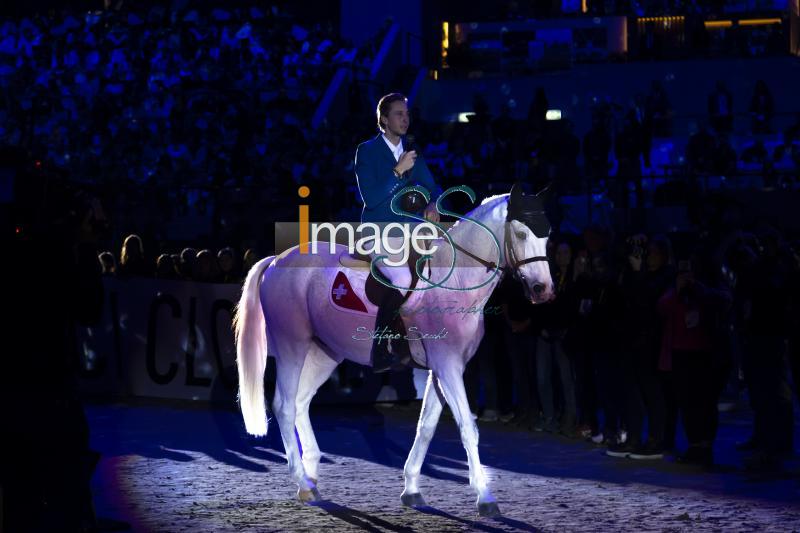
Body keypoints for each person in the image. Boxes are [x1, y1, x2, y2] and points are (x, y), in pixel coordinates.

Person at [354, 92, 442, 372]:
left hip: (410, 230)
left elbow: (433, 187)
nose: (405, 119)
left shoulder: (412, 152)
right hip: (379, 230)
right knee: (403, 277)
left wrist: (432, 202)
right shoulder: (367, 151)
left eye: (407, 114)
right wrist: (397, 171)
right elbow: (371, 198)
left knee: (443, 258)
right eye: (398, 114)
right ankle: (380, 347)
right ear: (383, 120)